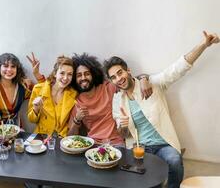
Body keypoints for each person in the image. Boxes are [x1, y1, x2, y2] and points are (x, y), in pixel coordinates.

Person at [103, 31, 219, 188]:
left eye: (120, 73)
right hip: (140, 147)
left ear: (128, 71)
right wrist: (122, 126)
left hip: (164, 144)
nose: (119, 78)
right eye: (113, 77)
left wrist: (204, 44)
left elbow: (178, 68)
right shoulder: (118, 100)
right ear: (111, 81)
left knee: (174, 160)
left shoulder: (151, 84)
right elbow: (123, 134)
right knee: (142, 179)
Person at [67, 53, 152, 146]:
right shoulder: (76, 101)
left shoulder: (108, 88)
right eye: (79, 75)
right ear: (75, 79)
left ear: (93, 74)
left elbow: (128, 80)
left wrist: (144, 79)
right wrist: (77, 119)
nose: (83, 78)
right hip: (92, 145)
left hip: (116, 143)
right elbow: (70, 137)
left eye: (87, 74)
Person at [0, 53, 44, 129]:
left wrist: (37, 74)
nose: (9, 69)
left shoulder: (23, 86)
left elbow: (44, 92)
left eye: (13, 66)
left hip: (16, 129)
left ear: (17, 69)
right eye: (5, 66)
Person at [27, 55, 77, 137]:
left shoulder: (73, 93)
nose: (65, 78)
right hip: (41, 137)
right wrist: (36, 108)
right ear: (55, 74)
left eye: (70, 74)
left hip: (62, 139)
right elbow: (31, 120)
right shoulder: (38, 89)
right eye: (62, 73)